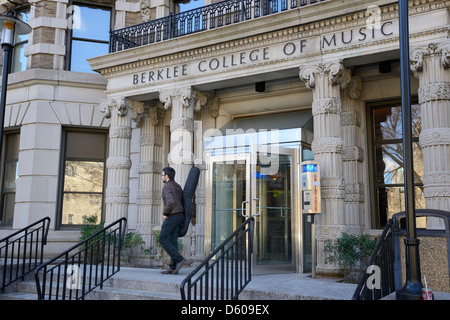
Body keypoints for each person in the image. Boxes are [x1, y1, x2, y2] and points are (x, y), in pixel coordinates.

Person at [160, 167, 186, 274]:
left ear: (167, 176)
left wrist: (165, 213)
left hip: (172, 215)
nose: (161, 176)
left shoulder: (167, 186)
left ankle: (179, 259)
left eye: (162, 175)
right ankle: (173, 267)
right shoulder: (177, 186)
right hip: (180, 216)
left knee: (163, 238)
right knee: (172, 240)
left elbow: (170, 203)